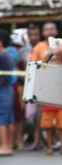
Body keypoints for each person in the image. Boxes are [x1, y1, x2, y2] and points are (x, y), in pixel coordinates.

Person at [31, 22, 62, 155]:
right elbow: (35, 65)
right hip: (45, 89)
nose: (49, 31)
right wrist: (49, 54)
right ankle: (46, 145)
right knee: (45, 121)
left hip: (60, 86)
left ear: (56, 31)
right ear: (43, 32)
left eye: (52, 29)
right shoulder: (39, 47)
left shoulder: (61, 43)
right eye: (46, 29)